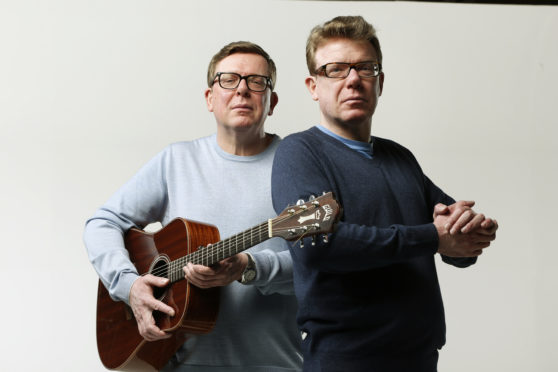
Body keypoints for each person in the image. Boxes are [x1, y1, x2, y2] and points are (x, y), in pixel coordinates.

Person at [271, 16, 499, 372]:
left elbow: (454, 243)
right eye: (336, 69)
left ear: (380, 82)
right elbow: (318, 246)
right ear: (313, 86)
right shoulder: (299, 153)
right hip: (345, 362)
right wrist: (432, 237)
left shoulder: (400, 158)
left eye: (365, 68)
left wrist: (474, 230)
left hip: (420, 360)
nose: (353, 80)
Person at [84, 41, 302, 372]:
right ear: (209, 98)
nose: (242, 89)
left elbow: (320, 267)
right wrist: (130, 286)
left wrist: (250, 266)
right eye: (228, 79)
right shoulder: (176, 161)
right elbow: (102, 223)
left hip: (275, 365)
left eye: (257, 81)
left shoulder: (298, 166)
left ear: (271, 102)